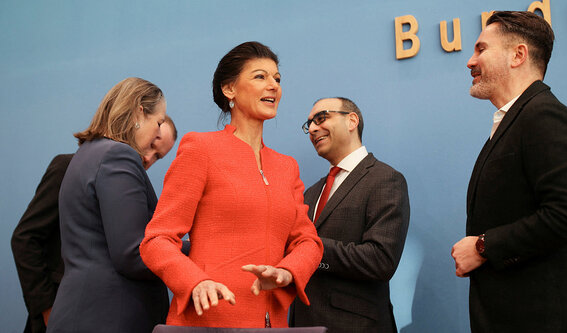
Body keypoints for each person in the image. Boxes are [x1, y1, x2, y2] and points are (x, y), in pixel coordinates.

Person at [140, 41, 323, 328]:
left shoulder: (286, 167)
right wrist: (195, 282)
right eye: (260, 76)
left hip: (272, 324)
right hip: (208, 322)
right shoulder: (201, 149)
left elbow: (308, 241)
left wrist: (288, 271)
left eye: (277, 78)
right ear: (230, 90)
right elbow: (157, 240)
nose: (273, 85)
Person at [450, 11, 567, 332]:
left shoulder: (544, 115)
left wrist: (483, 246)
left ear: (518, 55)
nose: (470, 61)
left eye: (481, 49)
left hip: (549, 318)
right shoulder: (517, 119)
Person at [10, 116, 177, 333]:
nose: (148, 157)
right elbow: (25, 238)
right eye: (152, 144)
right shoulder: (68, 167)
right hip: (67, 311)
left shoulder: (133, 191)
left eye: (158, 156)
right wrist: (46, 307)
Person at [46, 77, 174, 333]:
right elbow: (132, 254)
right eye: (158, 122)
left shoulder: (88, 153)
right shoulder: (118, 155)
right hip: (108, 317)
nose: (158, 133)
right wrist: (196, 252)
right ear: (139, 110)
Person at [290, 97, 410, 333]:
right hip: (303, 324)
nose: (313, 128)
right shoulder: (311, 192)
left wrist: (311, 248)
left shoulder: (385, 179)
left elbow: (380, 260)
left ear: (352, 121)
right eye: (309, 125)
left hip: (357, 325)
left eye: (321, 118)